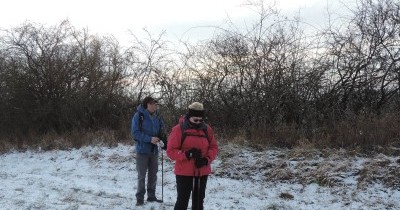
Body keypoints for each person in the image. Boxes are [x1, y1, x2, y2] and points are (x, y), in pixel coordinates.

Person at [167, 102, 218, 210]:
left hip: (202, 171)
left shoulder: (207, 129)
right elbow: (170, 151)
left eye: (201, 120)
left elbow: (213, 147)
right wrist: (186, 154)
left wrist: (206, 160)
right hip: (184, 172)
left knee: (199, 201)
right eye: (196, 120)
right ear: (189, 117)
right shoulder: (178, 129)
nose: (198, 122)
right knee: (182, 200)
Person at [131, 96, 166, 206]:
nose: (155, 106)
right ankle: (140, 198)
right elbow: (135, 133)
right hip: (142, 151)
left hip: (154, 151)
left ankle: (151, 196)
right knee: (141, 175)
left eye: (156, 104)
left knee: (153, 175)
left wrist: (162, 140)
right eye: (152, 104)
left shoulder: (158, 117)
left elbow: (161, 131)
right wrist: (149, 139)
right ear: (147, 105)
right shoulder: (138, 116)